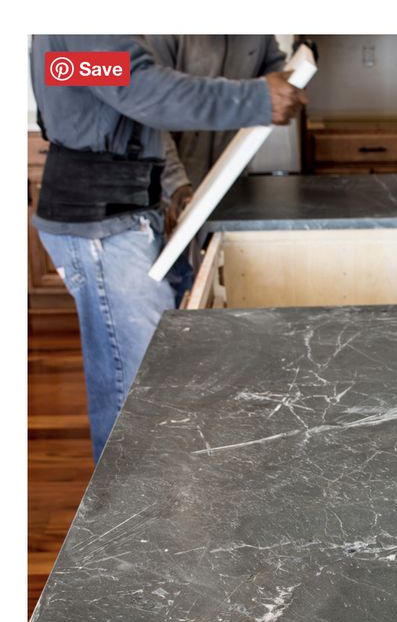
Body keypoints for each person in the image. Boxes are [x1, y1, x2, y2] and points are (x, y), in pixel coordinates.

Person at [31, 34, 305, 461]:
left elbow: (128, 92)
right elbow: (141, 89)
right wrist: (253, 99)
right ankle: (131, 521)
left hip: (123, 216)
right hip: (103, 226)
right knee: (137, 399)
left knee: (149, 387)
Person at [142, 35, 289, 303]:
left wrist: (286, 85)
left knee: (214, 275)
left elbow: (275, 70)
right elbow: (149, 111)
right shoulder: (163, 32)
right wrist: (174, 182)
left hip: (227, 176)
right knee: (170, 283)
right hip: (172, 179)